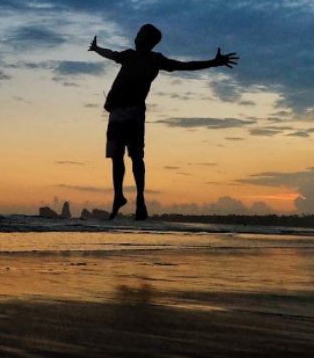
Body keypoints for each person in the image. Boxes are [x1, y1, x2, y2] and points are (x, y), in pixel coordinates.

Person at [89, 24, 238, 220]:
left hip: (128, 113)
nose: (136, 38)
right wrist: (97, 49)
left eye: (140, 36)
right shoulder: (140, 57)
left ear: (149, 41)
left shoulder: (146, 58)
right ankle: (122, 197)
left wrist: (212, 62)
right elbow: (110, 53)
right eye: (137, 35)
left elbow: (184, 65)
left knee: (129, 157)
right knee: (122, 157)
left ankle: (135, 198)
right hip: (119, 111)